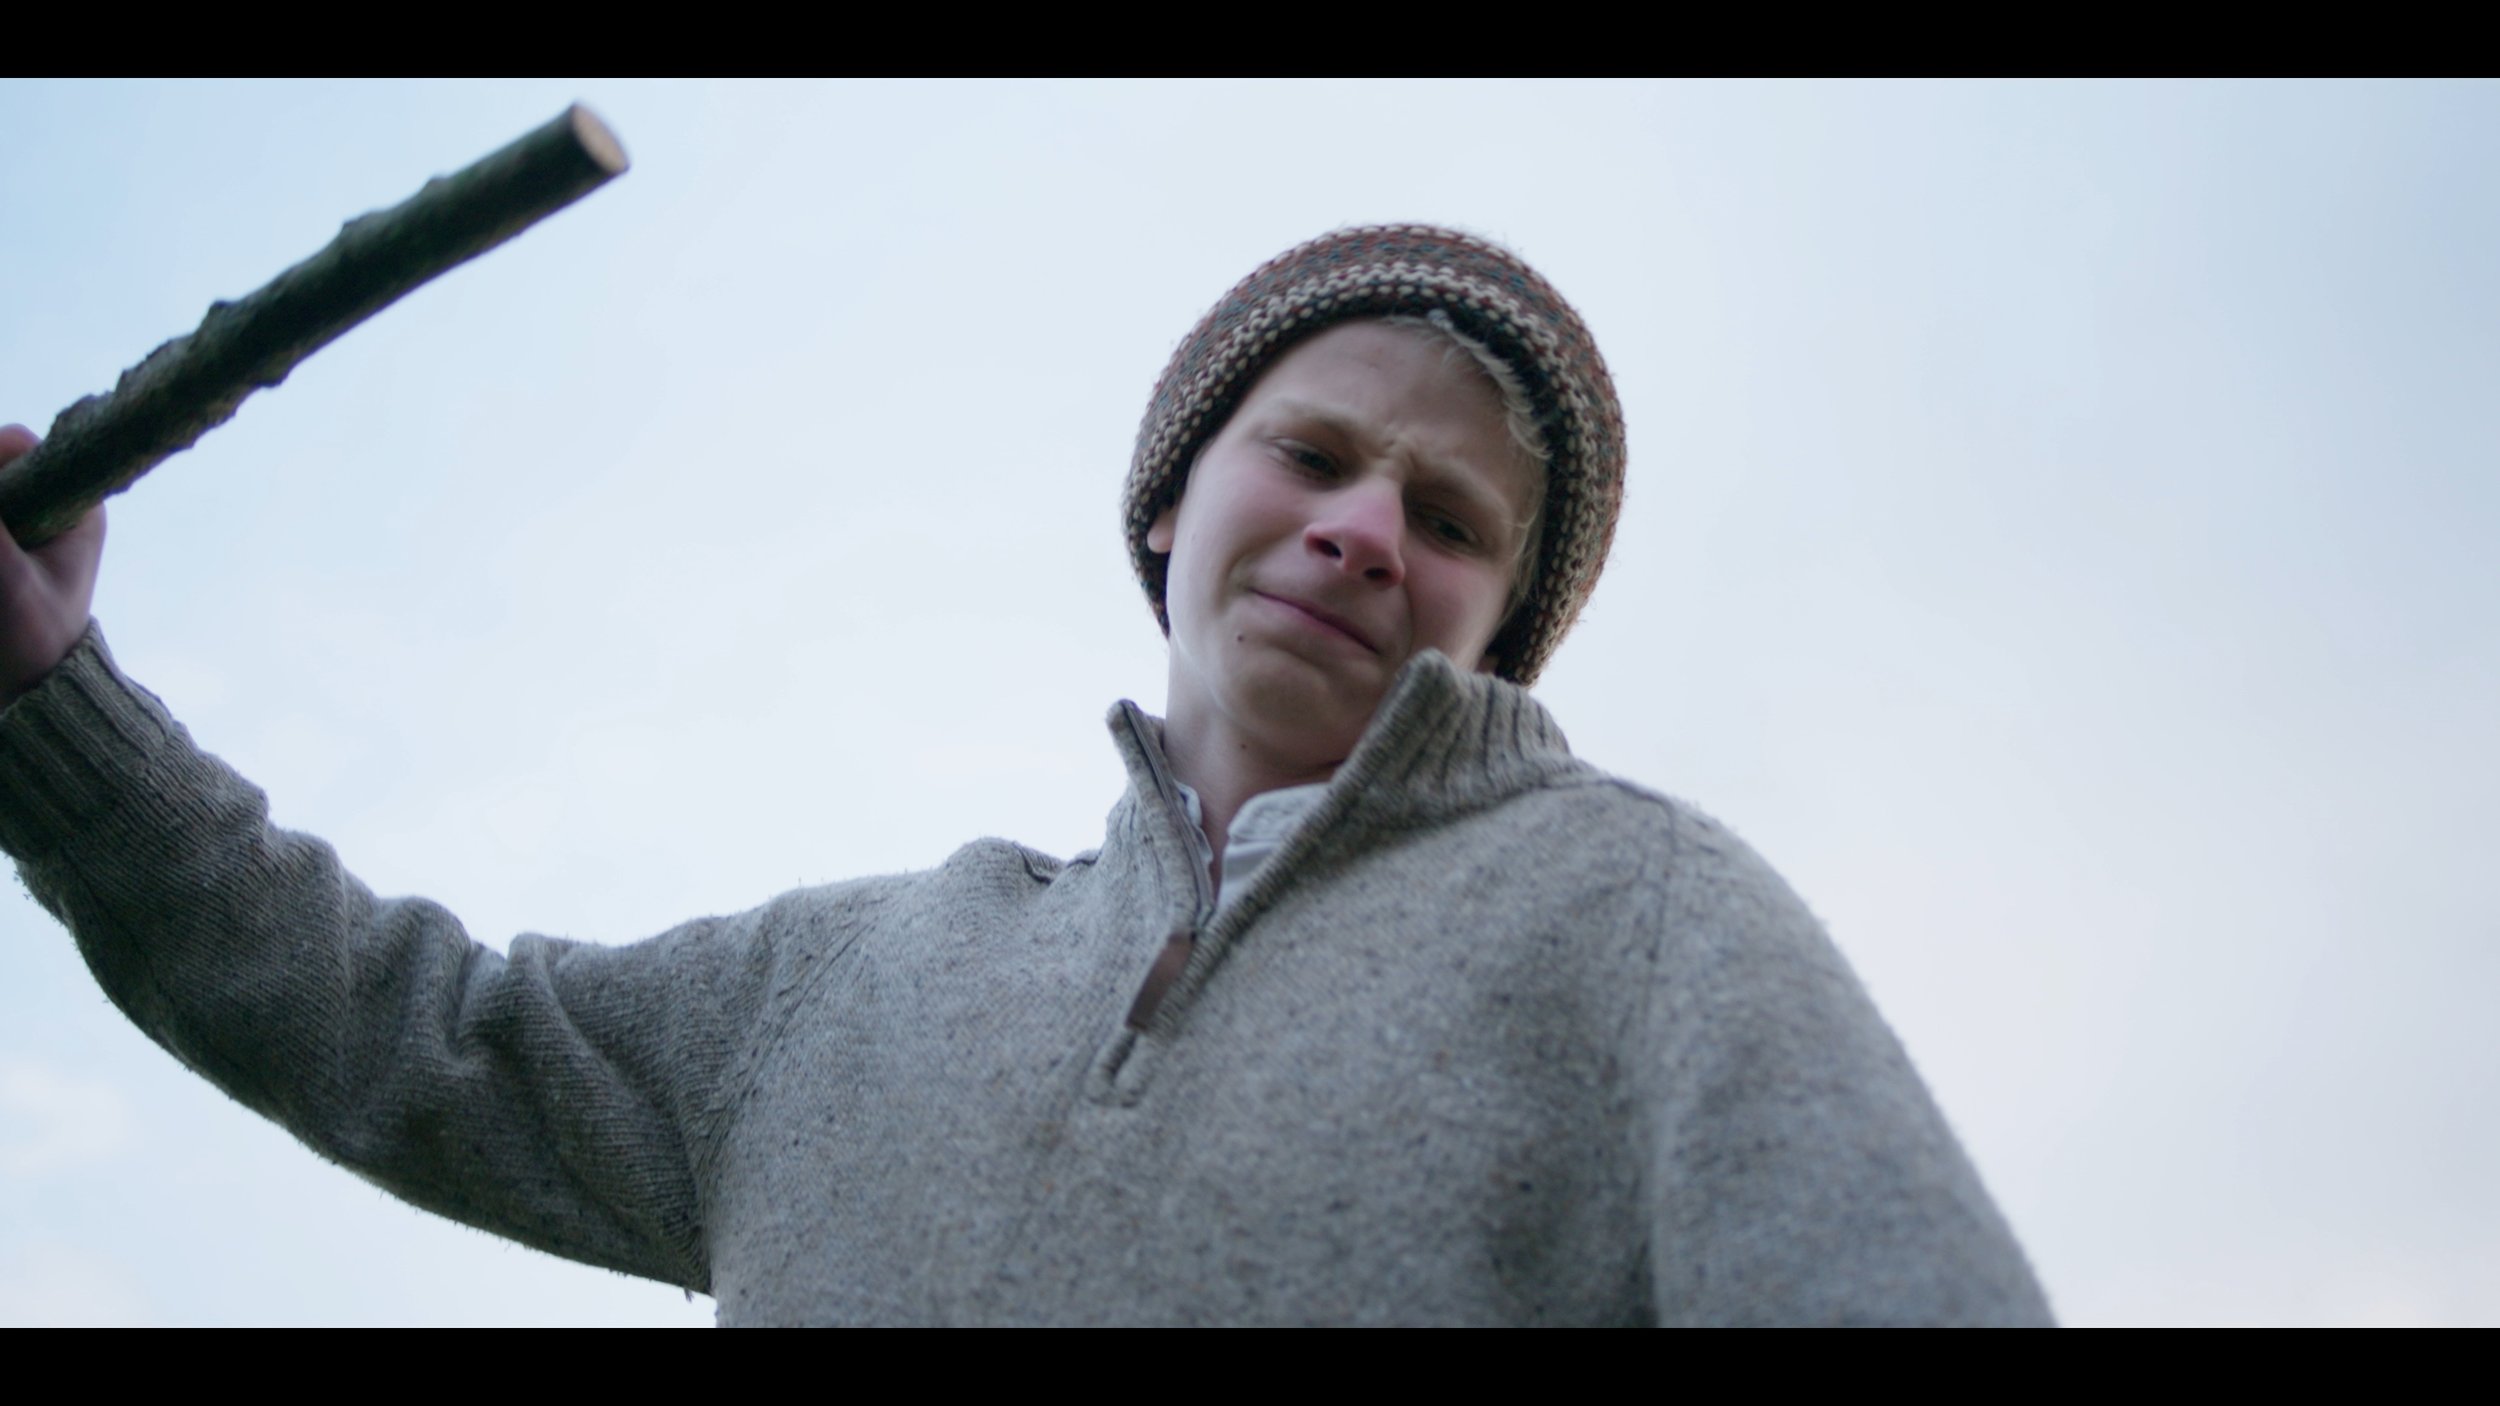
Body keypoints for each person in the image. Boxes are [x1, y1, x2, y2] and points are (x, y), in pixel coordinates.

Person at [0, 226, 2054, 1326]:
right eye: (1313, 454)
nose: (1362, 527)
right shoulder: (839, 986)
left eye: (1447, 518)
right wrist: (48, 699)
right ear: (1170, 505)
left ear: (1497, 626)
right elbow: (406, 1028)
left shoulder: (1643, 921)